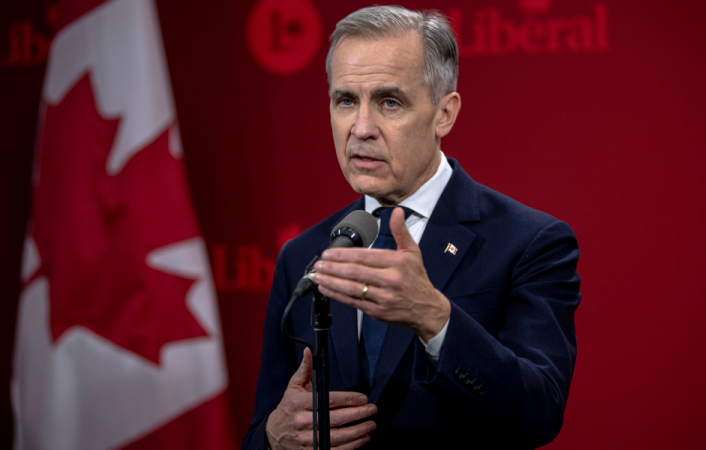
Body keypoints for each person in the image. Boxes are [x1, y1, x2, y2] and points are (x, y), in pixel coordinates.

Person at [243, 5, 581, 450]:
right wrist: (273, 435)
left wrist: (435, 318)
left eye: (389, 102)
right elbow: (258, 433)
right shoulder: (303, 255)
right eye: (345, 100)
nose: (361, 129)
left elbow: (540, 412)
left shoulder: (529, 243)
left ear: (444, 113)